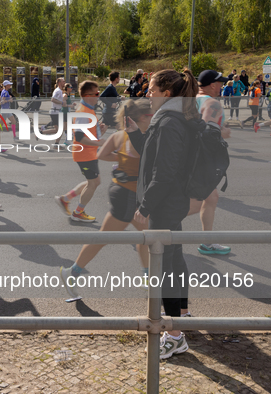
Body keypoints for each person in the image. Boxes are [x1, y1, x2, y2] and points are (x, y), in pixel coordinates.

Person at [126, 68, 215, 359]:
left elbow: (163, 171)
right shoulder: (178, 117)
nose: (146, 93)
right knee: (174, 260)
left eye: (151, 89)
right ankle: (182, 316)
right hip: (172, 200)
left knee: (165, 267)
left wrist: (145, 206)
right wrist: (136, 134)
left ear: (166, 93)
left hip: (164, 202)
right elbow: (157, 156)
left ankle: (174, 335)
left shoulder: (167, 121)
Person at [60, 99, 153, 301]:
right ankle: (72, 273)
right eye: (151, 115)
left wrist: (122, 158)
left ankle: (148, 279)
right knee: (110, 237)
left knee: (146, 236)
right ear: (142, 117)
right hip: (128, 195)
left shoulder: (121, 135)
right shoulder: (138, 138)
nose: (154, 117)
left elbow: (102, 154)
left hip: (125, 192)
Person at [188, 70, 232, 255]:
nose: (222, 86)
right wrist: (223, 133)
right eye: (220, 83)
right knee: (197, 202)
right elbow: (205, 132)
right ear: (213, 85)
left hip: (188, 155)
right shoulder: (212, 103)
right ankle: (156, 223)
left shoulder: (192, 99)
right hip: (200, 159)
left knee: (211, 197)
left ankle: (207, 241)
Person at [55, 81, 107, 223]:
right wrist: (100, 142)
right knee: (93, 183)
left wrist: (99, 131)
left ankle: (65, 199)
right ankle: (78, 212)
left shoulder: (87, 109)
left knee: (93, 182)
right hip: (85, 154)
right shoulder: (84, 111)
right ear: (87, 95)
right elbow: (79, 137)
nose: (98, 96)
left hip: (88, 153)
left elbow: (85, 133)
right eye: (96, 93)